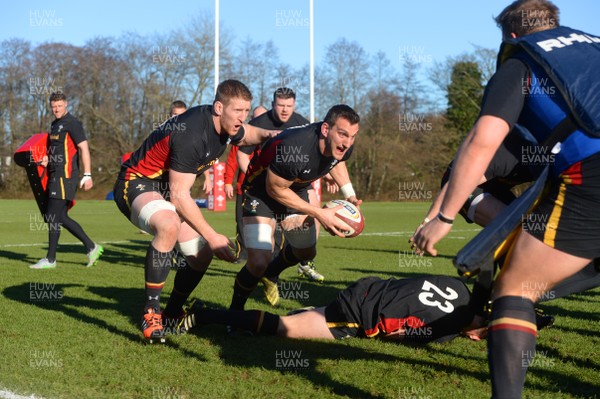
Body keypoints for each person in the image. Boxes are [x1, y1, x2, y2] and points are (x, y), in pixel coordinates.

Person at [412, 1, 600, 397]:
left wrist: (442, 219)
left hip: (590, 169)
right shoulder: (592, 46)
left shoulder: (522, 61)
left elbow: (481, 140)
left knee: (515, 288)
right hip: (568, 175)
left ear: (510, 35)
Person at [113, 80, 277, 343]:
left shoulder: (225, 125)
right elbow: (179, 196)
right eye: (238, 111)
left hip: (165, 189)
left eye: (246, 111)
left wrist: (271, 136)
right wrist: (212, 235)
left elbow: (246, 134)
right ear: (218, 107)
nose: (242, 118)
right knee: (169, 224)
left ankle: (172, 313)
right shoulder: (191, 132)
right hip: (136, 182)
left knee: (200, 255)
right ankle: (151, 311)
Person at [227, 104, 361, 322]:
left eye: (353, 136)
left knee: (306, 252)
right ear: (326, 130)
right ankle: (234, 314)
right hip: (261, 192)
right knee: (258, 260)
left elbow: (337, 162)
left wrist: (350, 195)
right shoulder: (296, 148)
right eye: (343, 134)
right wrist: (318, 212)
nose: (347, 142)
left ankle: (272, 272)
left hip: (295, 189)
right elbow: (275, 189)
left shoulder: (343, 145)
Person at [184, 275, 475, 343]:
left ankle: (315, 314)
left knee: (308, 319)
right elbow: (393, 331)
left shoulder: (460, 286)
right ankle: (204, 314)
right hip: (354, 314)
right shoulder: (446, 331)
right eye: (482, 335)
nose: (476, 339)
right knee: (282, 329)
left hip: (367, 288)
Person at [30, 92, 104, 269]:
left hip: (66, 176)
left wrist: (87, 175)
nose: (56, 109)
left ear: (66, 105)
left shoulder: (73, 123)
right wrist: (48, 160)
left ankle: (50, 259)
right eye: (53, 106)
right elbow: (58, 151)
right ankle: (92, 247)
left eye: (59, 106)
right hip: (55, 175)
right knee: (60, 216)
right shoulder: (55, 125)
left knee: (53, 215)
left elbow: (83, 148)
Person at [224, 105, 268, 263]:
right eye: (256, 117)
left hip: (267, 188)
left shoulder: (274, 137)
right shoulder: (242, 136)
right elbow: (231, 160)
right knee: (241, 219)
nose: (259, 120)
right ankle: (242, 253)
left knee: (268, 221)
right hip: (245, 187)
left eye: (263, 117)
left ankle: (271, 253)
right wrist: (228, 182)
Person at [170, 100, 212, 196]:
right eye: (175, 114)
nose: (179, 118)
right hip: (162, 179)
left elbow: (202, 157)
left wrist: (208, 178)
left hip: (184, 179)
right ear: (170, 115)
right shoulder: (162, 133)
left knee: (181, 204)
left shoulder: (193, 135)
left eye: (182, 114)